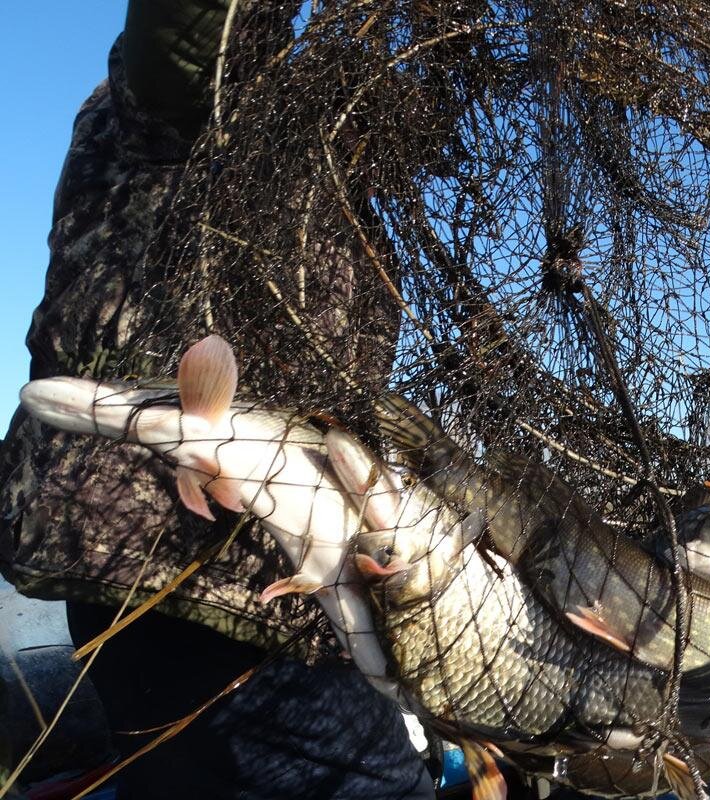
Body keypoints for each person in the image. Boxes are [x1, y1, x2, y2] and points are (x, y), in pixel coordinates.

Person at [0, 3, 434, 797]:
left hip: (240, 568)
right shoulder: (197, 105)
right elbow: (194, 34)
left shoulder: (326, 181)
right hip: (187, 567)